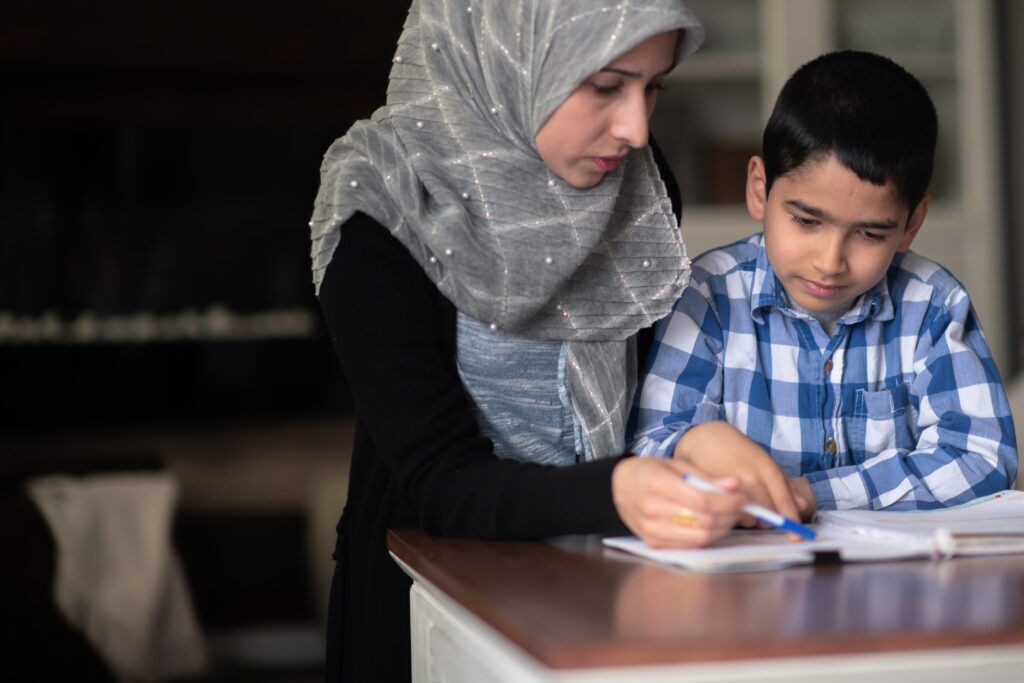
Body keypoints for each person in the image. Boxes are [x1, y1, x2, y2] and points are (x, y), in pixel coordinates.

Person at [309, 2, 748, 681]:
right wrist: (616, 492)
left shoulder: (637, 181)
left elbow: (651, 402)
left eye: (653, 86)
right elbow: (437, 482)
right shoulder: (388, 200)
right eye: (605, 85)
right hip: (436, 617)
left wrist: (697, 442)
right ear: (509, 52)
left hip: (623, 597)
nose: (635, 128)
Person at [630, 50, 1018, 521]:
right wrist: (694, 445)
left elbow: (981, 458)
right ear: (759, 189)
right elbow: (650, 448)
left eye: (871, 234)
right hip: (742, 579)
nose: (830, 262)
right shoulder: (707, 295)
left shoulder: (932, 305)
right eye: (806, 221)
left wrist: (809, 494)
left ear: (912, 223)